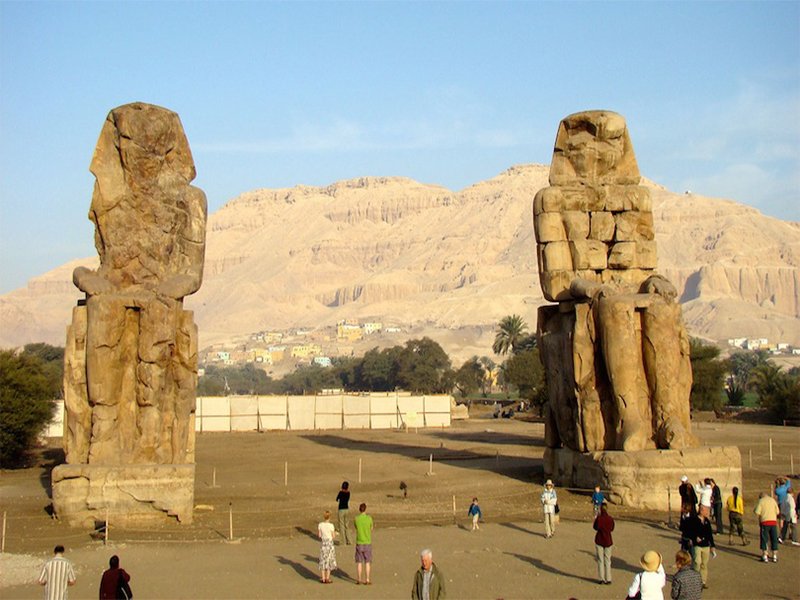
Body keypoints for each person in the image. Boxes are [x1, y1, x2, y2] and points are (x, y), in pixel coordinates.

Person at [686, 505, 716, 589]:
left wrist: (712, 545)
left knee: (704, 564)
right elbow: (690, 532)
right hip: (697, 545)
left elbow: (710, 534)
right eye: (706, 511)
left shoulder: (707, 521)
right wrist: (695, 537)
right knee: (697, 562)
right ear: (701, 511)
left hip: (706, 545)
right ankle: (694, 579)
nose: (707, 512)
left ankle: (703, 581)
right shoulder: (694, 520)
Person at [753, 491, 780, 563]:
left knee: (764, 538)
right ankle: (774, 555)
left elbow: (757, 512)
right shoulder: (773, 500)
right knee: (774, 538)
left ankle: (765, 555)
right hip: (773, 522)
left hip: (765, 522)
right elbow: (777, 512)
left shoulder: (761, 501)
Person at [593, 503, 614, 585]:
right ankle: (608, 579)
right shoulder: (610, 519)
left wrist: (597, 518)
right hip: (608, 540)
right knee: (608, 560)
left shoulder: (599, 519)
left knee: (600, 560)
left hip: (599, 540)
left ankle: (601, 578)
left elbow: (595, 527)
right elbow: (612, 528)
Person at [353, 502, 374, 585]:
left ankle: (359, 579)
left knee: (359, 562)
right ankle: (367, 579)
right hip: (367, 542)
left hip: (359, 542)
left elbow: (356, 527)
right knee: (367, 562)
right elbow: (371, 528)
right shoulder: (369, 518)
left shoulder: (357, 519)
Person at [318, 510, 338, 584]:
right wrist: (334, 533)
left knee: (323, 561)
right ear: (329, 517)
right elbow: (333, 536)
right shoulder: (331, 525)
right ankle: (327, 578)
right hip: (329, 544)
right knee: (329, 561)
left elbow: (319, 535)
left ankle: (323, 578)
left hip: (323, 543)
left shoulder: (320, 525)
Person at [336, 481, 352, 545]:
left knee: (341, 526)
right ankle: (349, 540)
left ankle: (343, 541)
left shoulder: (340, 492)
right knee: (346, 526)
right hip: (346, 509)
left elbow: (337, 499)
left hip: (341, 510)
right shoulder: (348, 493)